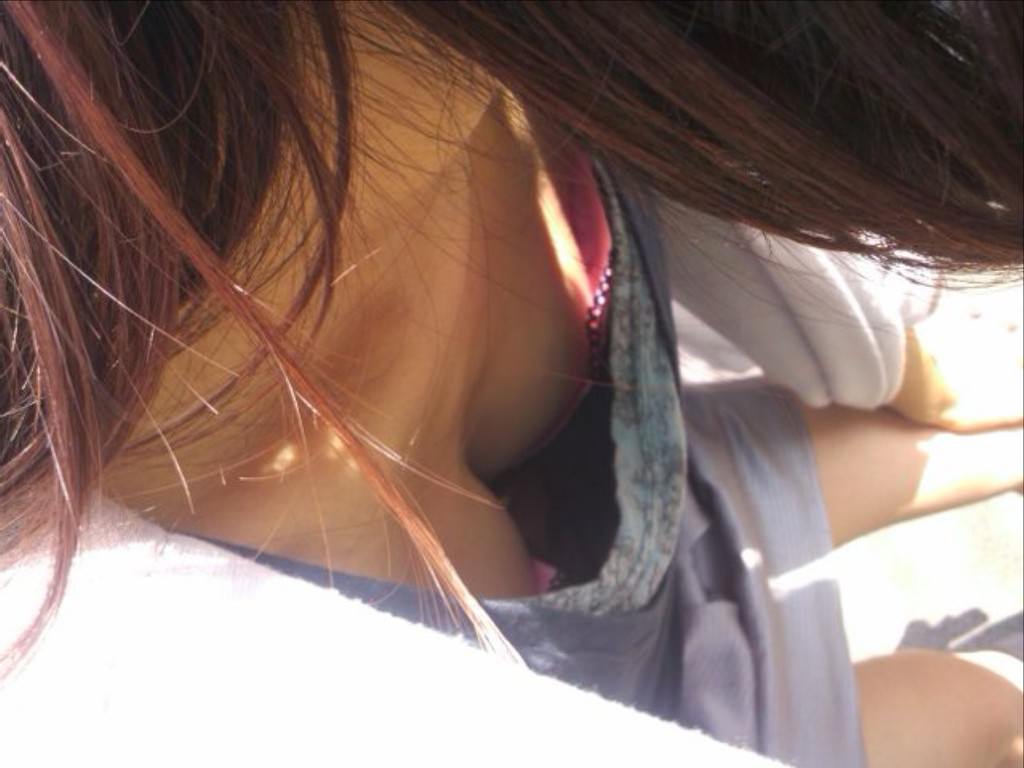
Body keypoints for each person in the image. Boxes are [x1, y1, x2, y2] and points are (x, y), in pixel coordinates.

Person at [0, 2, 1021, 766]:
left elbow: (719, 173)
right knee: (969, 705)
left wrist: (897, 367)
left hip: (660, 497)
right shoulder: (259, 648)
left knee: (928, 445)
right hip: (659, 709)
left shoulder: (488, 73)